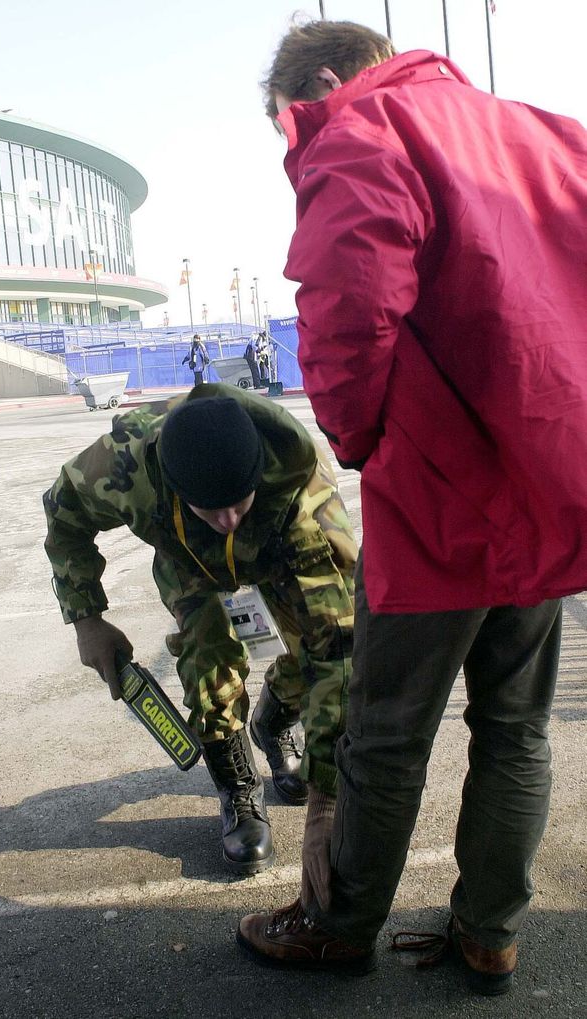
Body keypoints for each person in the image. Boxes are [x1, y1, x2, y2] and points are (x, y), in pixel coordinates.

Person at [237, 19, 587, 995]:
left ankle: (340, 923)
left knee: (385, 728)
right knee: (515, 724)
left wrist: (354, 438)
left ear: (317, 79)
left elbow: (347, 307)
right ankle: (490, 932)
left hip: (438, 496)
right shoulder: (546, 133)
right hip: (546, 483)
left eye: (284, 126)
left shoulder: (363, 133)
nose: (292, 145)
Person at [44, 382, 357, 876]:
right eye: (211, 507)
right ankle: (238, 789)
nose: (229, 520)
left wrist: (327, 797)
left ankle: (274, 724)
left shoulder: (300, 489)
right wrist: (87, 619)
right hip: (187, 559)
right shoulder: (124, 469)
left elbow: (338, 644)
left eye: (238, 502)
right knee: (205, 658)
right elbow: (64, 513)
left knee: (312, 655)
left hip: (276, 545)